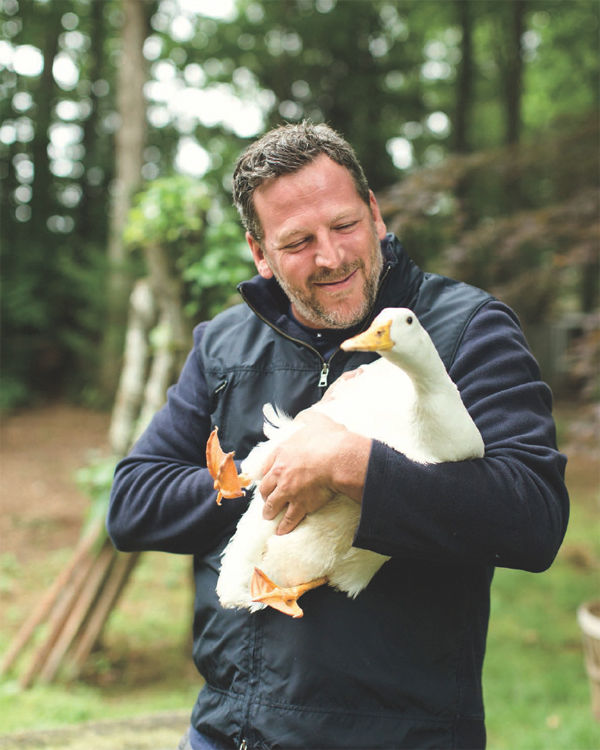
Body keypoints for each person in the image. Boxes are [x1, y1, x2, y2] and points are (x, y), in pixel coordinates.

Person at [107, 121, 569, 750]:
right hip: (227, 730)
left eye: (344, 225)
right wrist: (271, 473)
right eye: (297, 241)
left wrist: (352, 465)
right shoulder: (223, 345)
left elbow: (533, 517)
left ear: (375, 213)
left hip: (399, 736)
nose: (331, 257)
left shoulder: (467, 331)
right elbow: (132, 504)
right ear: (259, 253)